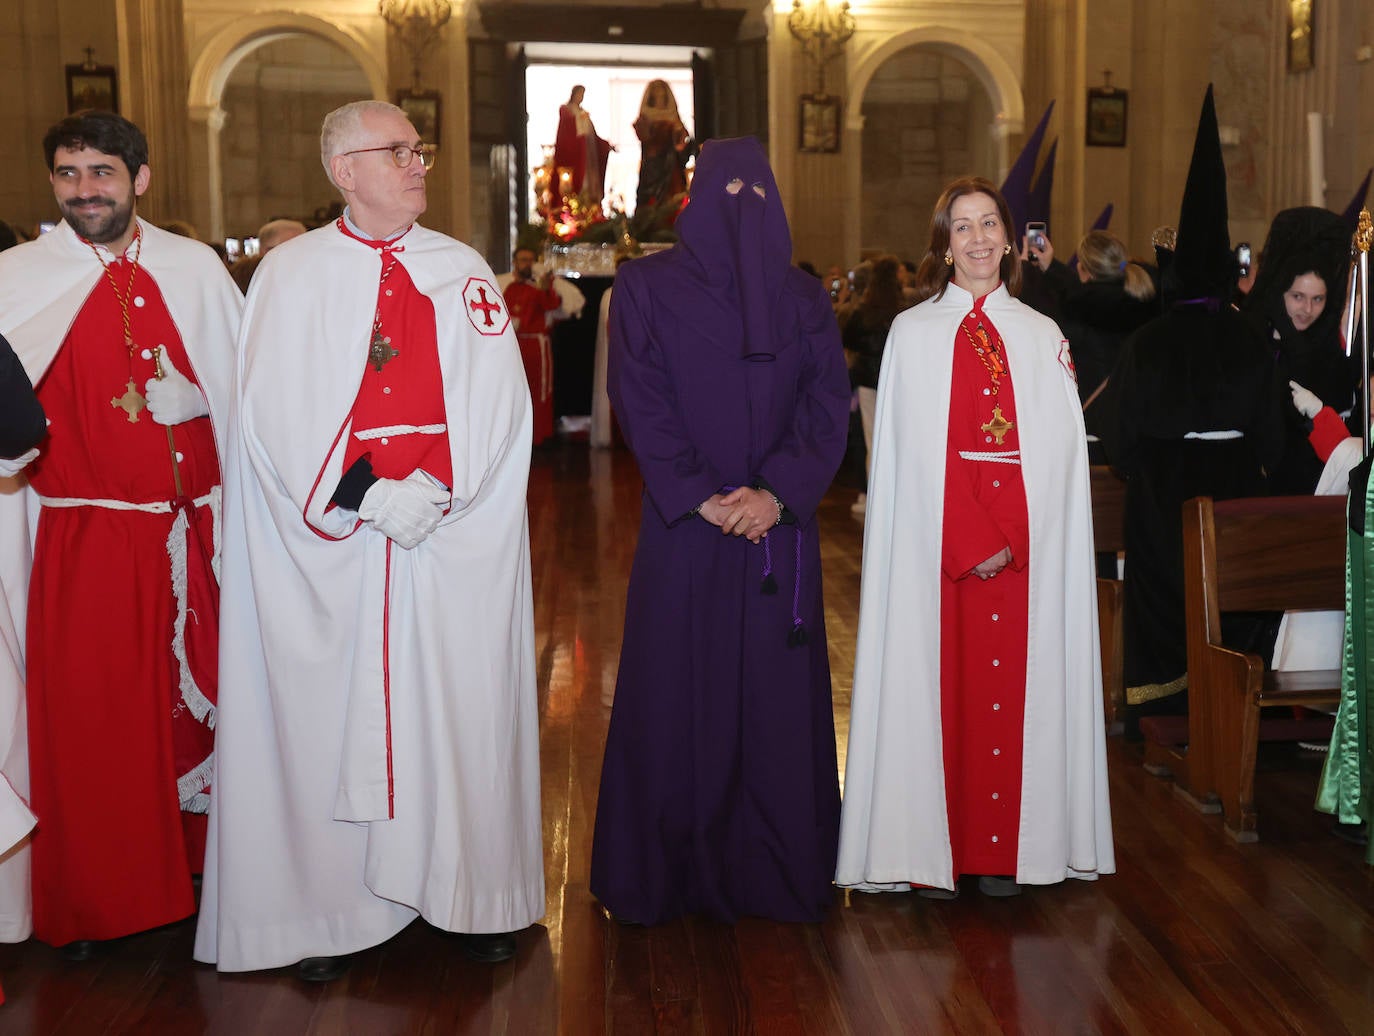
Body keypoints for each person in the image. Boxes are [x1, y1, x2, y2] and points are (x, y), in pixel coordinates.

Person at [194, 100, 543, 982]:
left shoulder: (460, 269)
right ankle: (329, 910)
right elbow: (272, 409)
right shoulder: (293, 272)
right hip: (341, 537)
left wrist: (441, 495)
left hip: (445, 532)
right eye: (398, 152)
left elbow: (500, 399)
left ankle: (470, 895)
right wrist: (366, 494)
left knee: (456, 707)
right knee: (330, 715)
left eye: (419, 150)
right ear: (344, 171)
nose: (419, 163)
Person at [590, 136, 851, 925]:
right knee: (677, 689)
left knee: (774, 699)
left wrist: (777, 493)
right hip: (687, 532)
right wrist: (703, 496)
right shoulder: (642, 286)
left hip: (779, 532)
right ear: (693, 199)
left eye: (757, 194)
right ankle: (663, 877)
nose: (741, 210)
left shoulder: (804, 299)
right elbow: (638, 395)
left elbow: (826, 404)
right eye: (725, 192)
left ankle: (776, 872)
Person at [0, 110, 241, 959]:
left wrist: (210, 400)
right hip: (86, 541)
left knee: (195, 714)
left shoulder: (195, 267)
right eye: (67, 174)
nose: (83, 190)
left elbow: (255, 388)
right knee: (98, 726)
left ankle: (206, 873)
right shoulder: (17, 277)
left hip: (196, 535)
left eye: (101, 172)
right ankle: (104, 903)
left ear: (139, 179)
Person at [835, 176, 1114, 899]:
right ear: (943, 245)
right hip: (940, 553)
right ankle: (934, 849)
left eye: (990, 223)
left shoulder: (1041, 333)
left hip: (1026, 553)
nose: (979, 238)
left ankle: (1005, 854)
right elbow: (902, 452)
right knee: (939, 690)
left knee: (1017, 696)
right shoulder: (913, 333)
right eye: (963, 226)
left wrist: (1015, 536)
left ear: (1010, 237)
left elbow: (1061, 454)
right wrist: (964, 535)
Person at [1100, 86, 1285, 731]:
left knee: (1165, 599)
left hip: (1163, 496)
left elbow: (1119, 438)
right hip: (1234, 492)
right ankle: (1229, 707)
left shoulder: (1148, 342)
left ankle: (1165, 710)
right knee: (1229, 600)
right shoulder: (1251, 336)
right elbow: (1272, 433)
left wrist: (1143, 463)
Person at [1242, 206, 1355, 494]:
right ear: (1280, 294)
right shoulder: (1254, 341)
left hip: (1319, 490)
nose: (1307, 309)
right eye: (1298, 297)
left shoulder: (1330, 351)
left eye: (1318, 299)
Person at [1028, 230, 1158, 460]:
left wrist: (1029, 274)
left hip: (1092, 436)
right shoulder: (1149, 305)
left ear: (1082, 269)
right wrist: (1053, 268)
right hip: (1139, 433)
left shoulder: (1072, 316)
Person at [842, 254, 907, 515]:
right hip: (899, 382)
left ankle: (872, 495)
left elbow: (849, 342)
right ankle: (898, 495)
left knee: (872, 439)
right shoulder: (905, 309)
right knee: (899, 438)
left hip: (869, 381)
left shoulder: (862, 310)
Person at [503, 246, 564, 446]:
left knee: (539, 389)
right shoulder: (510, 288)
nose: (526, 264)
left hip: (537, 346)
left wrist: (546, 288)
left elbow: (552, 305)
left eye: (530, 260)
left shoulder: (540, 288)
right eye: (522, 260)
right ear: (514, 262)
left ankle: (541, 436)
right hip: (515, 345)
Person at [633, 79, 694, 216]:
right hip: (653, 163)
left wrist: (680, 136)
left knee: (672, 196)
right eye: (656, 90)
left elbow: (681, 143)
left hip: (671, 163)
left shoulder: (673, 115)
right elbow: (644, 136)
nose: (659, 93)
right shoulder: (646, 115)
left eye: (661, 90)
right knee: (651, 198)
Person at [553, 85, 612, 210]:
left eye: (583, 95)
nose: (581, 97)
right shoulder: (566, 109)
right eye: (579, 94)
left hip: (586, 158)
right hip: (574, 156)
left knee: (589, 186)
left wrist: (606, 146)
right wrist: (579, 119)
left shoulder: (583, 112)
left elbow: (593, 137)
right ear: (574, 94)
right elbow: (567, 129)